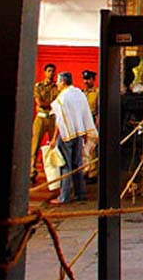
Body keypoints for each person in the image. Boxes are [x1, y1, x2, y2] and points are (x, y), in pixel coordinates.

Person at [49, 72, 97, 204]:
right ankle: (80, 193)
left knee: (65, 165)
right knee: (77, 164)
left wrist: (54, 138)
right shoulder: (79, 93)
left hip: (66, 135)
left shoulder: (62, 98)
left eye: (58, 82)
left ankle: (64, 196)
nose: (57, 84)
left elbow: (60, 121)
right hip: (79, 133)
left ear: (63, 82)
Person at [31, 63, 58, 183]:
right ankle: (32, 171)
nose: (51, 73)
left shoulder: (57, 87)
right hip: (41, 118)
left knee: (54, 146)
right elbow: (40, 103)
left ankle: (54, 173)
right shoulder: (39, 86)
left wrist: (49, 104)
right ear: (45, 72)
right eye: (49, 71)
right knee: (35, 145)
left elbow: (59, 102)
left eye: (53, 71)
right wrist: (52, 104)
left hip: (52, 118)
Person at [81, 70, 99, 182]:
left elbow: (99, 110)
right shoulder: (82, 93)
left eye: (88, 79)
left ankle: (93, 172)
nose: (86, 81)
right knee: (82, 147)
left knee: (91, 147)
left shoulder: (97, 93)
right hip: (81, 120)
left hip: (92, 120)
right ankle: (85, 170)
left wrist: (97, 124)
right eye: (84, 79)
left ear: (93, 80)